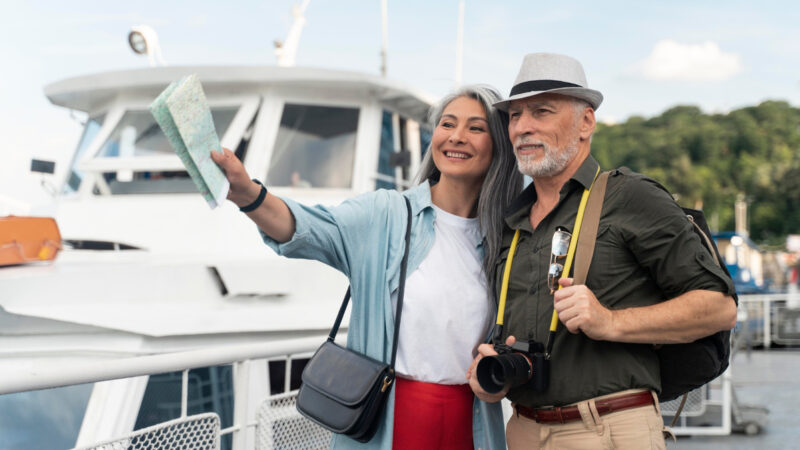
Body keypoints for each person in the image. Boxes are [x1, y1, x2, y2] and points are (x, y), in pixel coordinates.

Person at [211, 85, 522, 450]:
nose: (456, 136)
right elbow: (309, 228)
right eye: (447, 124)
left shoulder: (505, 239)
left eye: (475, 128)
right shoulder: (386, 214)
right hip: (390, 424)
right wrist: (248, 194)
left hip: (473, 426)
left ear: (498, 145)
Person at [466, 53, 738, 449]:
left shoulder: (630, 196)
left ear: (586, 123)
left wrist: (609, 321)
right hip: (523, 430)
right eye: (515, 116)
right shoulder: (510, 221)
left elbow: (720, 309)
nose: (522, 127)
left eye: (542, 111)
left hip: (609, 428)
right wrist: (493, 371)